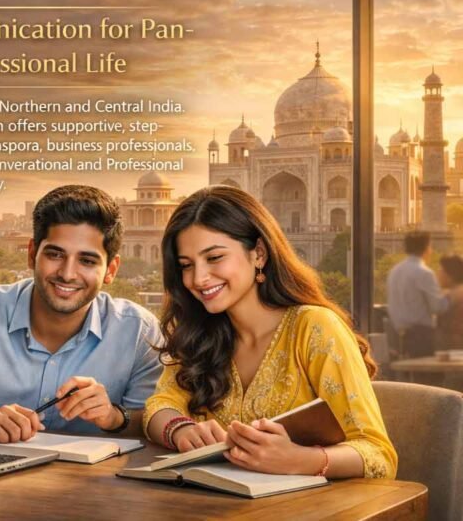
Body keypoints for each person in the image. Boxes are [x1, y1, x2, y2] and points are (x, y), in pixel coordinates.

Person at [143, 185, 397, 479]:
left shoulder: (313, 329)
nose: (198, 278)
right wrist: (179, 428)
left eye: (214, 258)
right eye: (186, 265)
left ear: (259, 254)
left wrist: (301, 460)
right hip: (213, 504)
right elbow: (160, 404)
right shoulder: (200, 334)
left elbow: (378, 456)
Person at [0, 185, 163, 443]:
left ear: (111, 270)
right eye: (55, 254)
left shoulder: (139, 333)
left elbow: (155, 421)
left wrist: (113, 417)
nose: (67, 273)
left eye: (87, 261)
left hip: (91, 483)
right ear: (32, 255)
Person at [386, 231, 449, 358]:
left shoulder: (394, 271)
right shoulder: (424, 273)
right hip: (421, 335)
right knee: (426, 376)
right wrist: (448, 295)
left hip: (396, 334)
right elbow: (437, 307)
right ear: (426, 248)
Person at [436, 254, 463, 351]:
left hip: (453, 350)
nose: (437, 274)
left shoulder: (451, 296)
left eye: (441, 271)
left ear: (450, 275)